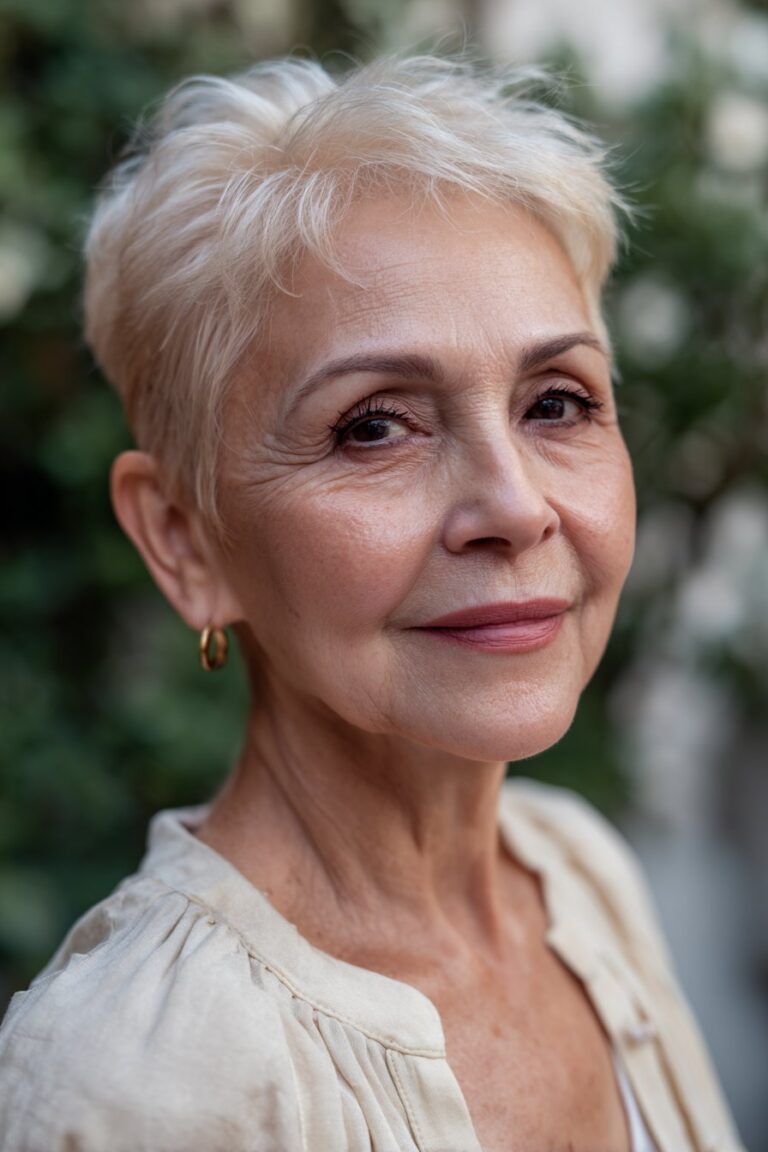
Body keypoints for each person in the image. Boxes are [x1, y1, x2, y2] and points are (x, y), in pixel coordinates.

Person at [0, 53, 744, 1152]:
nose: (514, 505)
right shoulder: (139, 1076)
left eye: (556, 401)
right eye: (374, 426)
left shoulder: (578, 875)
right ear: (185, 539)